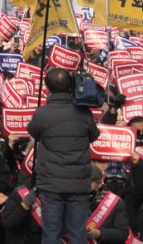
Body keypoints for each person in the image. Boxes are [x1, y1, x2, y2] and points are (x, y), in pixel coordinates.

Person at [27, 67, 101, 244]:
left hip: (51, 184)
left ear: (47, 88)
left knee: (51, 232)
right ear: (71, 87)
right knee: (77, 233)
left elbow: (34, 133)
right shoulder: (84, 112)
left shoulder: (42, 113)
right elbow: (94, 136)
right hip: (78, 183)